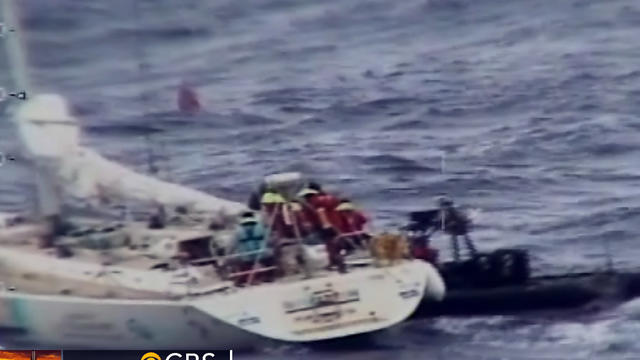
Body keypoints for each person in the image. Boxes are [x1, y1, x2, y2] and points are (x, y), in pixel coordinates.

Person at [297, 186, 346, 273]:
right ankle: (336, 262)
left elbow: (317, 216)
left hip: (327, 226)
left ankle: (338, 263)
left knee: (332, 245)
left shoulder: (316, 203)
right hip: (332, 225)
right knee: (332, 245)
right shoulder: (327, 200)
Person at [229, 211, 268, 286]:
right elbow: (268, 240)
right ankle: (265, 276)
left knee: (240, 264)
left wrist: (229, 255)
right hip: (262, 255)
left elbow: (232, 245)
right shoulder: (261, 227)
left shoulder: (238, 230)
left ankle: (244, 280)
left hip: (245, 258)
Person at [436, 196, 477, 262]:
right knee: (459, 244)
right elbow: (442, 222)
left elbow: (463, 218)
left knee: (463, 243)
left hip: (458, 228)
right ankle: (462, 256)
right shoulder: (446, 212)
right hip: (456, 229)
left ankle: (468, 255)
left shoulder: (447, 211)